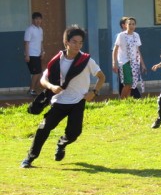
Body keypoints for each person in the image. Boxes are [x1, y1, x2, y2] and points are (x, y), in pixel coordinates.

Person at [21, 25, 105, 168]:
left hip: (78, 101)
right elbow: (43, 80)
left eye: (80, 43)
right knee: (43, 129)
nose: (77, 45)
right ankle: (29, 158)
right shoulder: (56, 61)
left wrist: (94, 92)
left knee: (74, 133)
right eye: (74, 42)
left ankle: (61, 144)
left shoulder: (86, 60)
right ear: (66, 42)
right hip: (59, 101)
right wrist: (52, 87)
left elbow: (101, 77)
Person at [112, 17, 146, 99]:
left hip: (134, 62)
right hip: (124, 62)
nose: (131, 26)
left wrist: (142, 64)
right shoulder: (121, 36)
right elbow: (115, 49)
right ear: (125, 25)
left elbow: (137, 50)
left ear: (135, 26)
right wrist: (114, 63)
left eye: (133, 24)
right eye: (129, 24)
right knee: (128, 83)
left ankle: (128, 100)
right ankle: (122, 101)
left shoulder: (136, 36)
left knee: (132, 84)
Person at [24, 12, 45, 96]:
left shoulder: (40, 29)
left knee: (39, 73)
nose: (38, 21)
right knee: (36, 73)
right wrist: (27, 55)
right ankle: (31, 89)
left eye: (39, 19)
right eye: (36, 19)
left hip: (38, 54)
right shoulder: (29, 29)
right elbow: (26, 43)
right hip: (31, 54)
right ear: (33, 20)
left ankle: (32, 89)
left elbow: (41, 42)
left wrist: (43, 52)